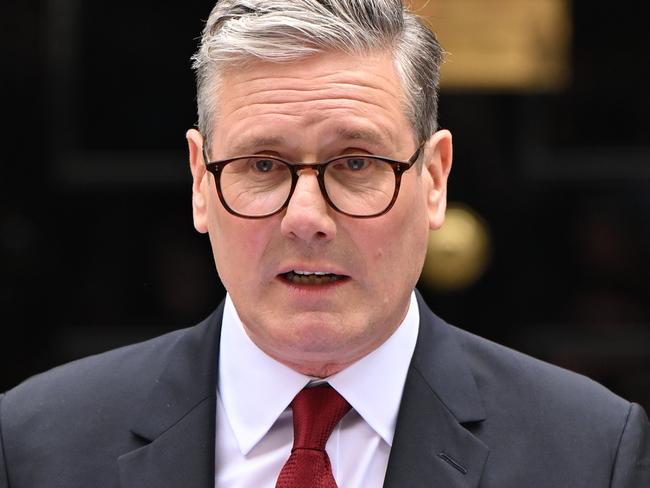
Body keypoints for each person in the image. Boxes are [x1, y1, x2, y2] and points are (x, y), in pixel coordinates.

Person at [1, 0, 648, 486]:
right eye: (261, 165)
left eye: (357, 163)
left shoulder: (590, 453)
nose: (306, 218)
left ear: (434, 179)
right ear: (200, 181)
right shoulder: (36, 445)